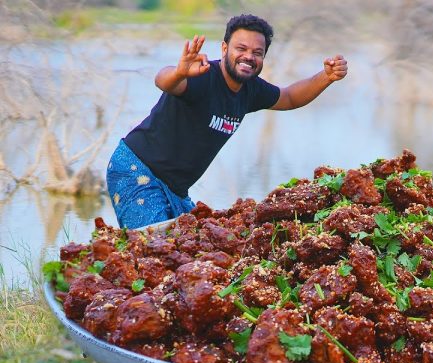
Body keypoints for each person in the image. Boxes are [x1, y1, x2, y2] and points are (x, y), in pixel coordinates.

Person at [107, 14, 348, 229]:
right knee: (154, 252)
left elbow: (289, 97)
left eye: (257, 53)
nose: (248, 57)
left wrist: (326, 77)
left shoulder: (251, 90)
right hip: (136, 168)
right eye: (240, 48)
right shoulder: (202, 77)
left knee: (195, 249)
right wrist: (180, 72)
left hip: (176, 189)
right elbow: (163, 81)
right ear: (224, 48)